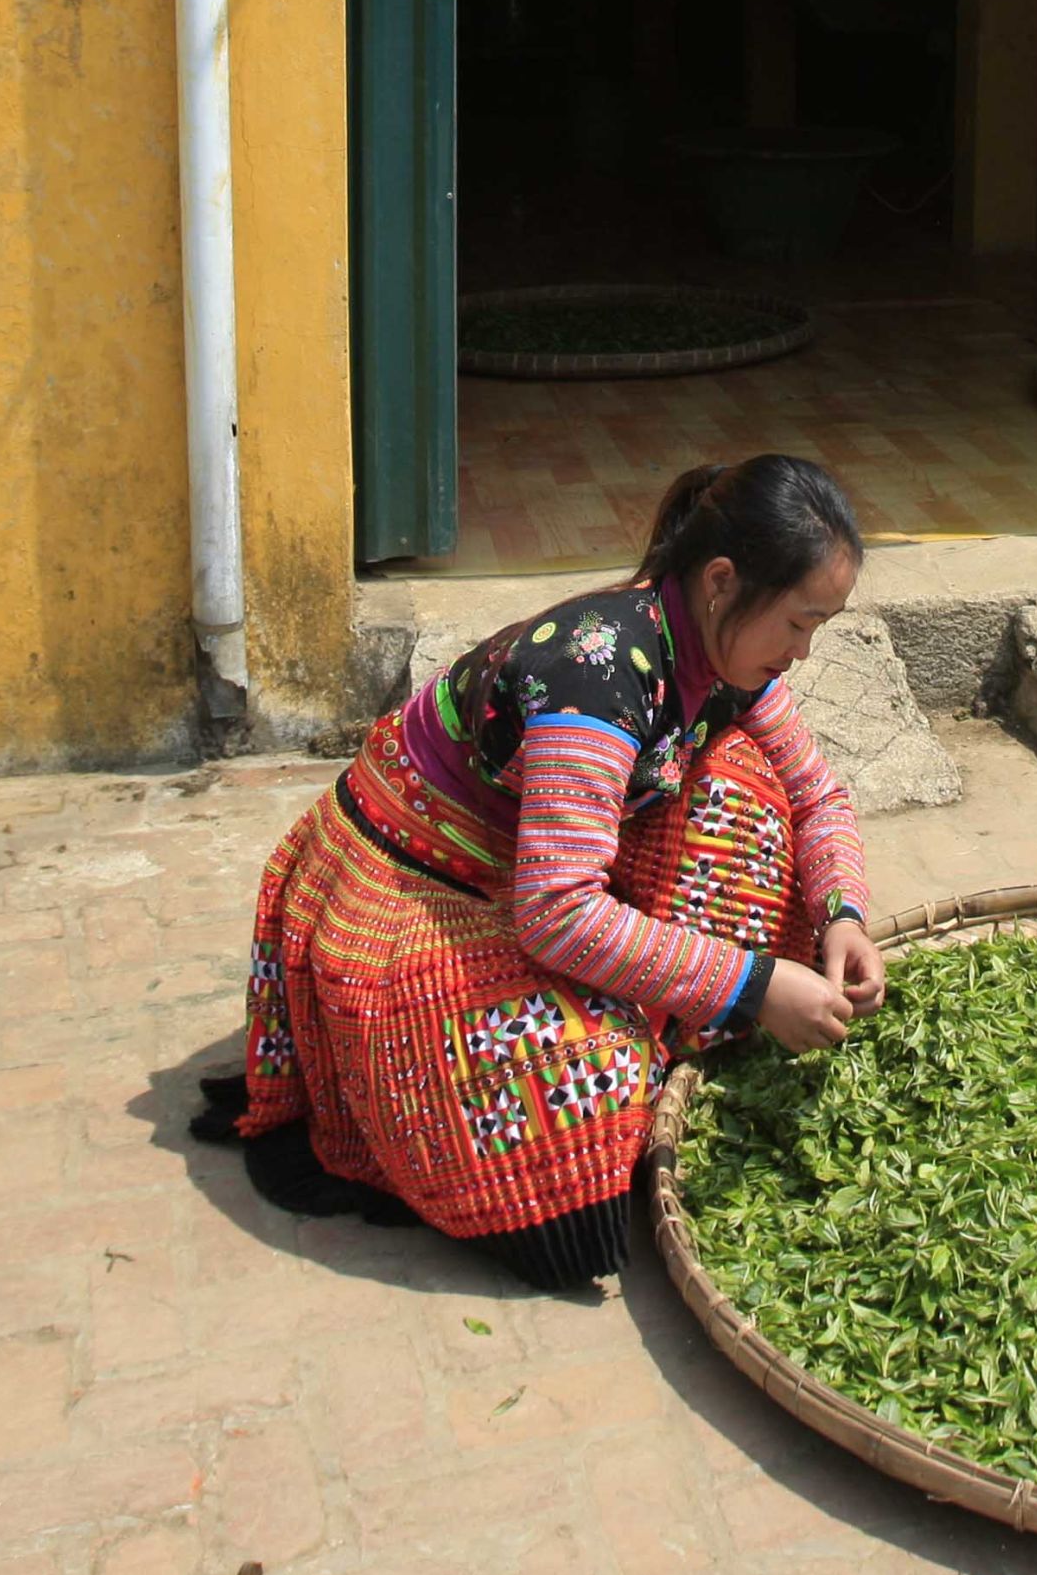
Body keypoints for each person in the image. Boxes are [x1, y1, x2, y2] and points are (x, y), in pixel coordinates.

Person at [195, 455, 883, 1286]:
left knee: (749, 796)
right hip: (407, 875)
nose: (802, 653)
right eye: (799, 624)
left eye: (818, 629)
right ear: (722, 582)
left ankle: (685, 1017)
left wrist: (843, 912)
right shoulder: (597, 676)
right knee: (584, 1102)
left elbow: (814, 795)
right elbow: (558, 913)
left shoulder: (729, 656)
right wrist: (753, 984)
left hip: (522, 868)